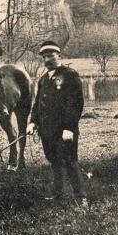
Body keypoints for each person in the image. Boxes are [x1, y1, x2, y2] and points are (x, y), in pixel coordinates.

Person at [27, 41, 87, 208]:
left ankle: (81, 198)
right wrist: (32, 122)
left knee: (70, 161)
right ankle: (58, 192)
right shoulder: (43, 79)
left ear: (59, 55)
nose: (47, 59)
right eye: (44, 56)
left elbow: (75, 104)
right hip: (47, 131)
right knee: (54, 160)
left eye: (51, 55)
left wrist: (69, 127)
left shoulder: (69, 75)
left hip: (64, 131)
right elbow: (38, 103)